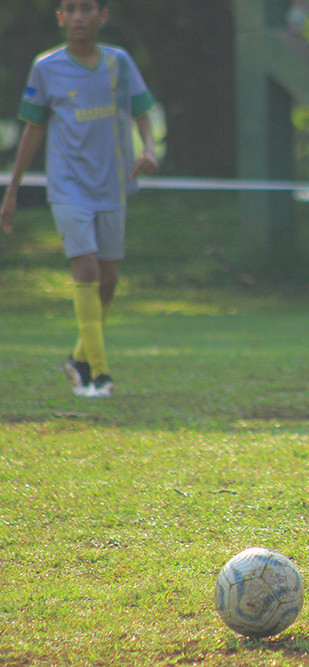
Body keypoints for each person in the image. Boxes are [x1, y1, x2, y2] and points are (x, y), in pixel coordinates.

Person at [0, 0, 158, 399]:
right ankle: (98, 373)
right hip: (68, 188)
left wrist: (150, 148)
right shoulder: (46, 66)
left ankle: (76, 357)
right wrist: (12, 191)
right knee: (85, 271)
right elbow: (32, 129)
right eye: (70, 9)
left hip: (113, 186)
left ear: (102, 16)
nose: (78, 17)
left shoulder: (119, 63)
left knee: (109, 280)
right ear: (60, 18)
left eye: (87, 9)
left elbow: (142, 109)